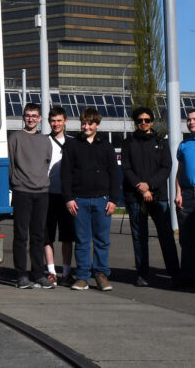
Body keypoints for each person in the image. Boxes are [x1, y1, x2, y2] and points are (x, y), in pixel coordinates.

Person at [61, 108, 120, 292]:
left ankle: (101, 275)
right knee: (82, 240)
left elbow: (114, 175)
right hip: (80, 201)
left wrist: (113, 199)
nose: (86, 127)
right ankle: (82, 277)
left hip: (102, 200)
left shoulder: (106, 146)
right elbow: (66, 174)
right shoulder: (72, 145)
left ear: (97, 125)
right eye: (84, 123)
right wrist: (69, 198)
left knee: (102, 241)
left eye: (90, 124)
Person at [121, 106, 180, 287]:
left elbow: (166, 167)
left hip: (158, 196)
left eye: (147, 120)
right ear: (135, 122)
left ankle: (174, 273)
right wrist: (141, 187)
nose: (143, 123)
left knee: (166, 236)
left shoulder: (161, 142)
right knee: (139, 237)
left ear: (152, 122)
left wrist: (150, 186)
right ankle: (143, 273)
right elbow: (126, 167)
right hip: (135, 196)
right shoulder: (128, 142)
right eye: (140, 120)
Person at [8, 103, 53, 289]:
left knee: (38, 236)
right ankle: (21, 274)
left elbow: (46, 163)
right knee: (21, 235)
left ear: (40, 118)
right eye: (28, 115)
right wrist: (16, 183)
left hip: (42, 193)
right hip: (22, 192)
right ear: (23, 117)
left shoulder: (45, 140)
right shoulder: (15, 137)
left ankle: (38, 274)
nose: (31, 119)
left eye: (34, 116)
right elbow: (9, 163)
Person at [174, 108, 195, 288]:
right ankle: (187, 278)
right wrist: (178, 193)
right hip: (186, 195)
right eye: (189, 120)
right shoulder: (183, 145)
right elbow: (179, 172)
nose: (191, 122)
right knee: (187, 240)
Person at [44, 107, 76, 286]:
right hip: (47, 194)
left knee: (67, 236)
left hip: (67, 196)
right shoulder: (44, 141)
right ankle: (51, 271)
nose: (55, 124)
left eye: (59, 120)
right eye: (53, 120)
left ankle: (66, 272)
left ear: (65, 121)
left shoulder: (73, 143)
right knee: (46, 235)